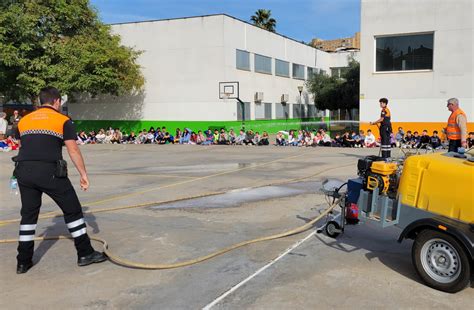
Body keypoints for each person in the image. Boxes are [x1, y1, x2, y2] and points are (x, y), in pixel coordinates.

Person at [13, 86, 106, 274]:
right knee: (72, 210)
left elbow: (20, 144)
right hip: (49, 171)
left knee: (28, 215)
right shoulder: (63, 120)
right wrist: (83, 175)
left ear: (40, 101)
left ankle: (23, 262)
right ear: (56, 101)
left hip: (23, 170)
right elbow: (73, 150)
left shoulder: (24, 120)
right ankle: (85, 253)